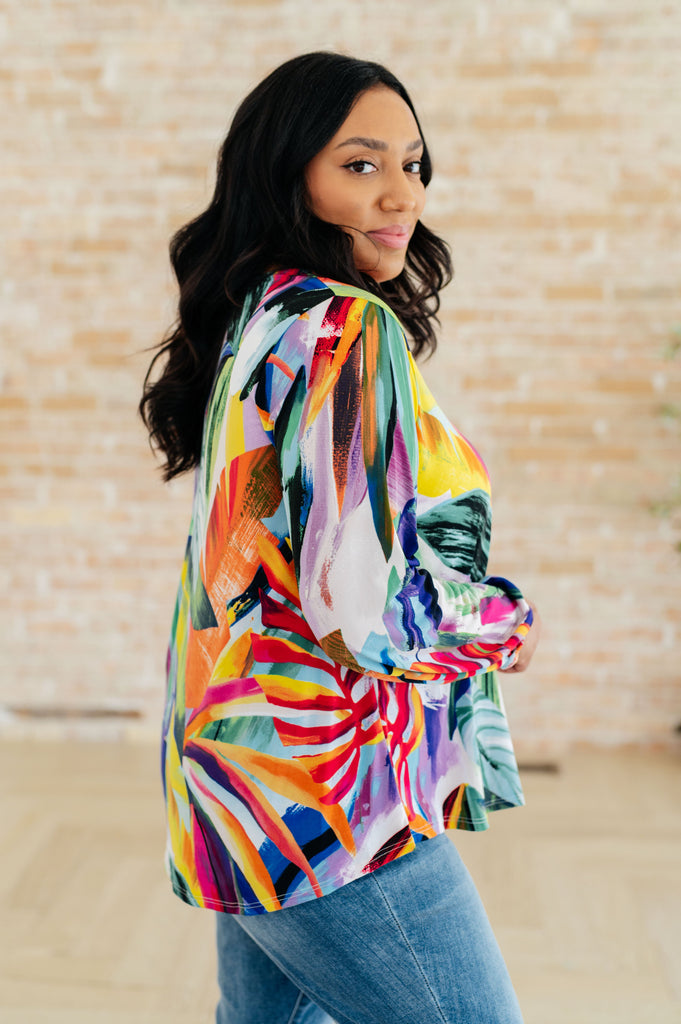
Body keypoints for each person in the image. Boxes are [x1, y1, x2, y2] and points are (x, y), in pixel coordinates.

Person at [140, 51, 540, 1024]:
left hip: (238, 781)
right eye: (360, 165)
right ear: (290, 176)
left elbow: (249, 562)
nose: (401, 194)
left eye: (412, 163)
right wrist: (504, 621)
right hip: (330, 801)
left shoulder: (263, 314)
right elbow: (364, 612)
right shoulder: (344, 330)